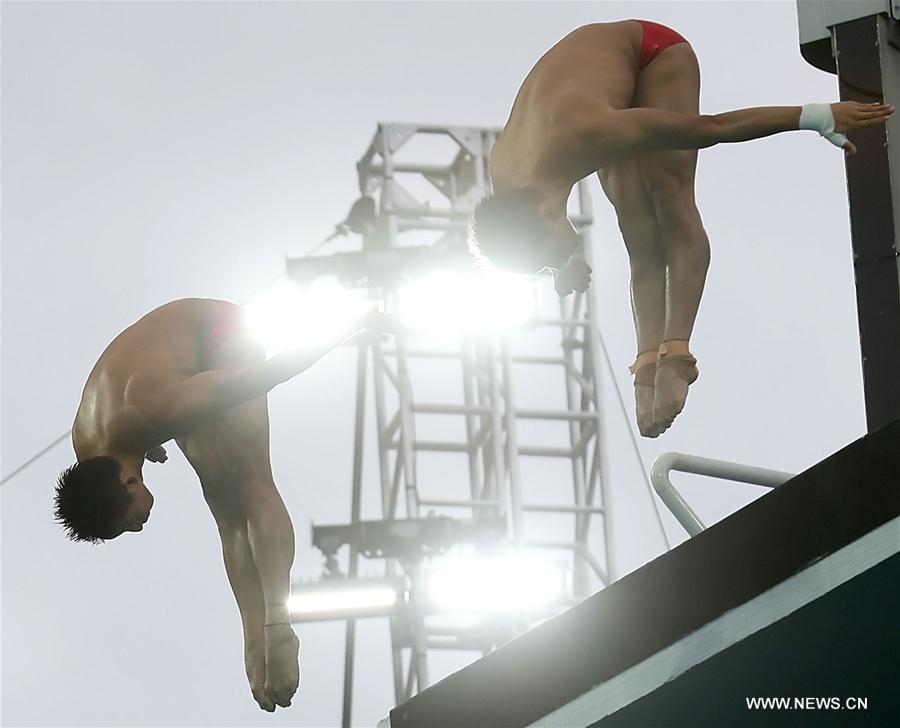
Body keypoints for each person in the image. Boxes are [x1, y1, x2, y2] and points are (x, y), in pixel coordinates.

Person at [468, 20, 894, 437]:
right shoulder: (507, 184)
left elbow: (713, 128)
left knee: (670, 199)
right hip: (589, 91)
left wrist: (816, 116)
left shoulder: (586, 134)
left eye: (548, 260)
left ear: (546, 217)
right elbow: (534, 237)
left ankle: (676, 356)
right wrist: (562, 266)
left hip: (650, 55)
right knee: (635, 225)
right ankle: (645, 364)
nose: (554, 264)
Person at [54, 298, 390, 712]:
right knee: (222, 505)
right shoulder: (89, 448)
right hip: (166, 373)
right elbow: (131, 423)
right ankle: (254, 638)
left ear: (128, 480)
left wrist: (350, 326)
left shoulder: (155, 409)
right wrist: (151, 444)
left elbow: (270, 374)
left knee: (248, 479)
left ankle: (278, 628)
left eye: (129, 522)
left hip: (218, 330)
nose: (139, 527)